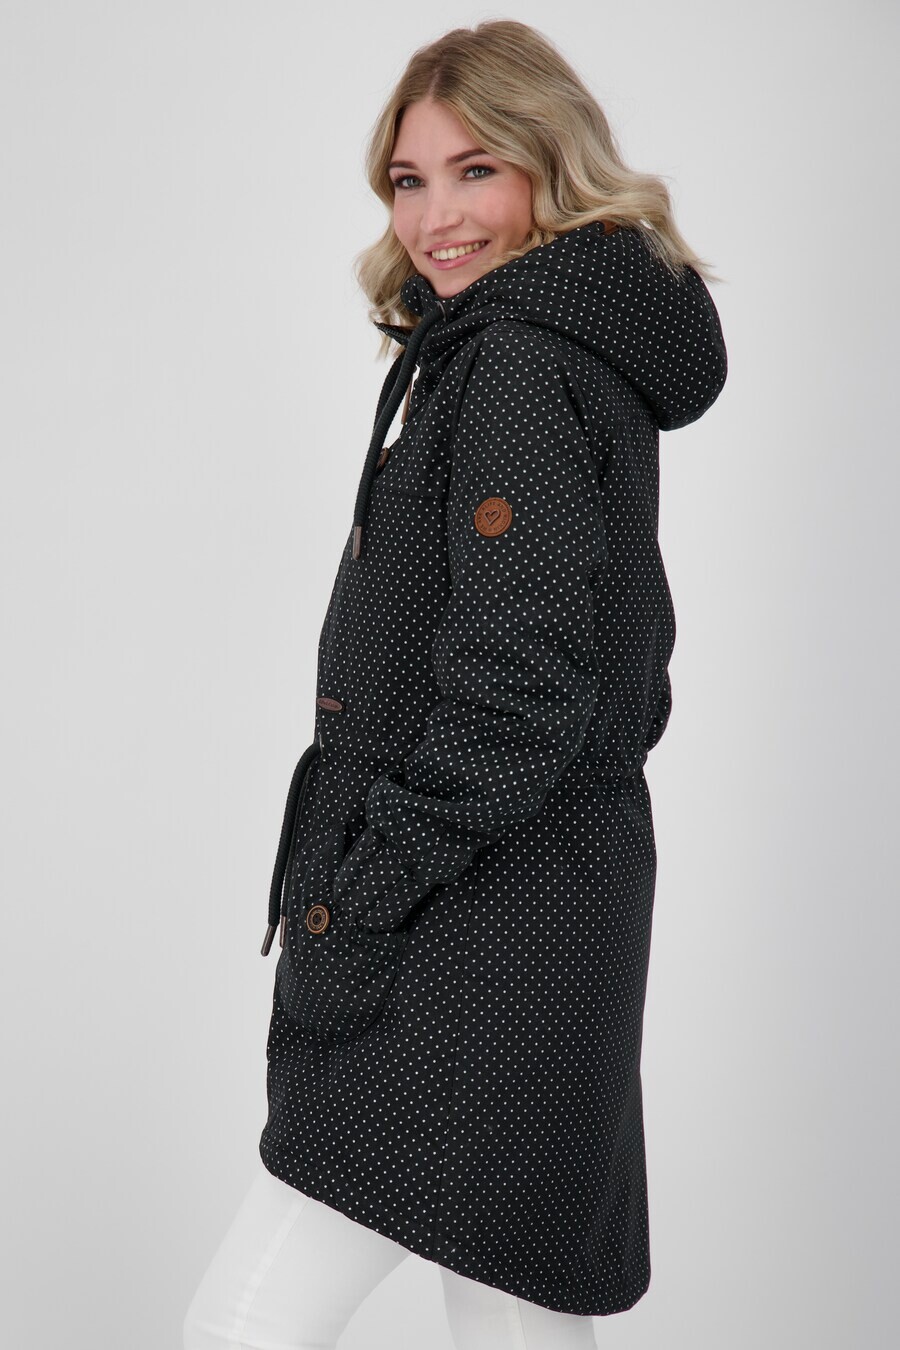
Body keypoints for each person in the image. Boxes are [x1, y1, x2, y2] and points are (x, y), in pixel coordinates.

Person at [183, 18, 727, 1350]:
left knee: (244, 1324)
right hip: (556, 910)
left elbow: (519, 694)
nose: (438, 218)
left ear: (554, 164)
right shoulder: (553, 345)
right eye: (409, 180)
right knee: (515, 1317)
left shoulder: (520, 359)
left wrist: (355, 904)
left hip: (469, 932)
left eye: (476, 170)